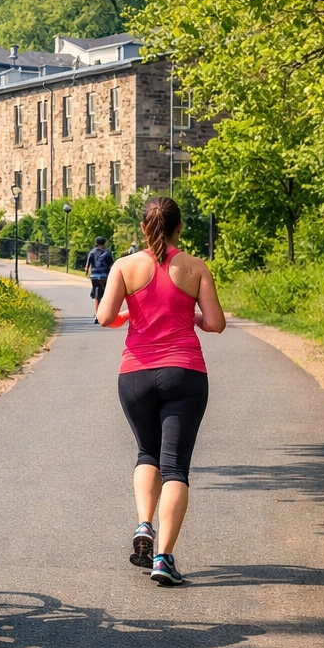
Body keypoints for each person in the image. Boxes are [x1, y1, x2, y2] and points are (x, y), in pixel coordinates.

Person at [96, 196, 226, 586]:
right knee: (175, 468)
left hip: (134, 375)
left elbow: (105, 318)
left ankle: (143, 525)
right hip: (183, 374)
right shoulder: (195, 267)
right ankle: (164, 559)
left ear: (143, 228)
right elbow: (216, 323)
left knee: (146, 453)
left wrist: (130, 314)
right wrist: (190, 314)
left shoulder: (124, 266)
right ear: (179, 228)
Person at [85, 236, 114, 313]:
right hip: (104, 275)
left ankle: (97, 314)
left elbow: (87, 265)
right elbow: (111, 265)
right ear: (104, 243)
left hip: (94, 275)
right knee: (106, 293)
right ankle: (105, 312)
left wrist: (87, 272)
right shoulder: (107, 252)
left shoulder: (92, 252)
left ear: (96, 243)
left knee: (96, 295)